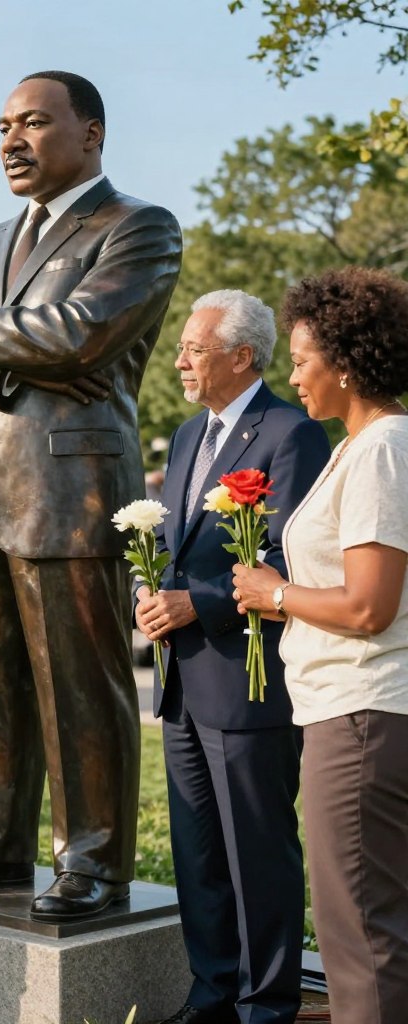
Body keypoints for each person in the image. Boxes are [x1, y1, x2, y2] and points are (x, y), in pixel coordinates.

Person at [0, 70, 182, 919]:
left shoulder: (138, 227)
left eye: (33, 123)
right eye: (1, 127)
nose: (11, 141)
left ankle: (93, 860)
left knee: (78, 685)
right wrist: (26, 368)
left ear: (90, 134)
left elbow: (87, 331)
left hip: (72, 493)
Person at [134, 291, 330, 1024]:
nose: (179, 360)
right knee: (198, 857)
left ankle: (265, 1005)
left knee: (258, 856)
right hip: (182, 680)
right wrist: (148, 594)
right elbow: (169, 543)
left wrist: (202, 603)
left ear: (242, 356)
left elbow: (289, 554)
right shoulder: (187, 437)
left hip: (251, 683)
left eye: (193, 348)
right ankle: (212, 993)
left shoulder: (290, 435)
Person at [233, 267, 408, 1024]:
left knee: (359, 939)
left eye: (302, 359)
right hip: (358, 713)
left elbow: (369, 605)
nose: (293, 375)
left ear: (343, 360)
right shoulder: (362, 446)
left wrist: (274, 594)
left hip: (362, 716)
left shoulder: (380, 451)